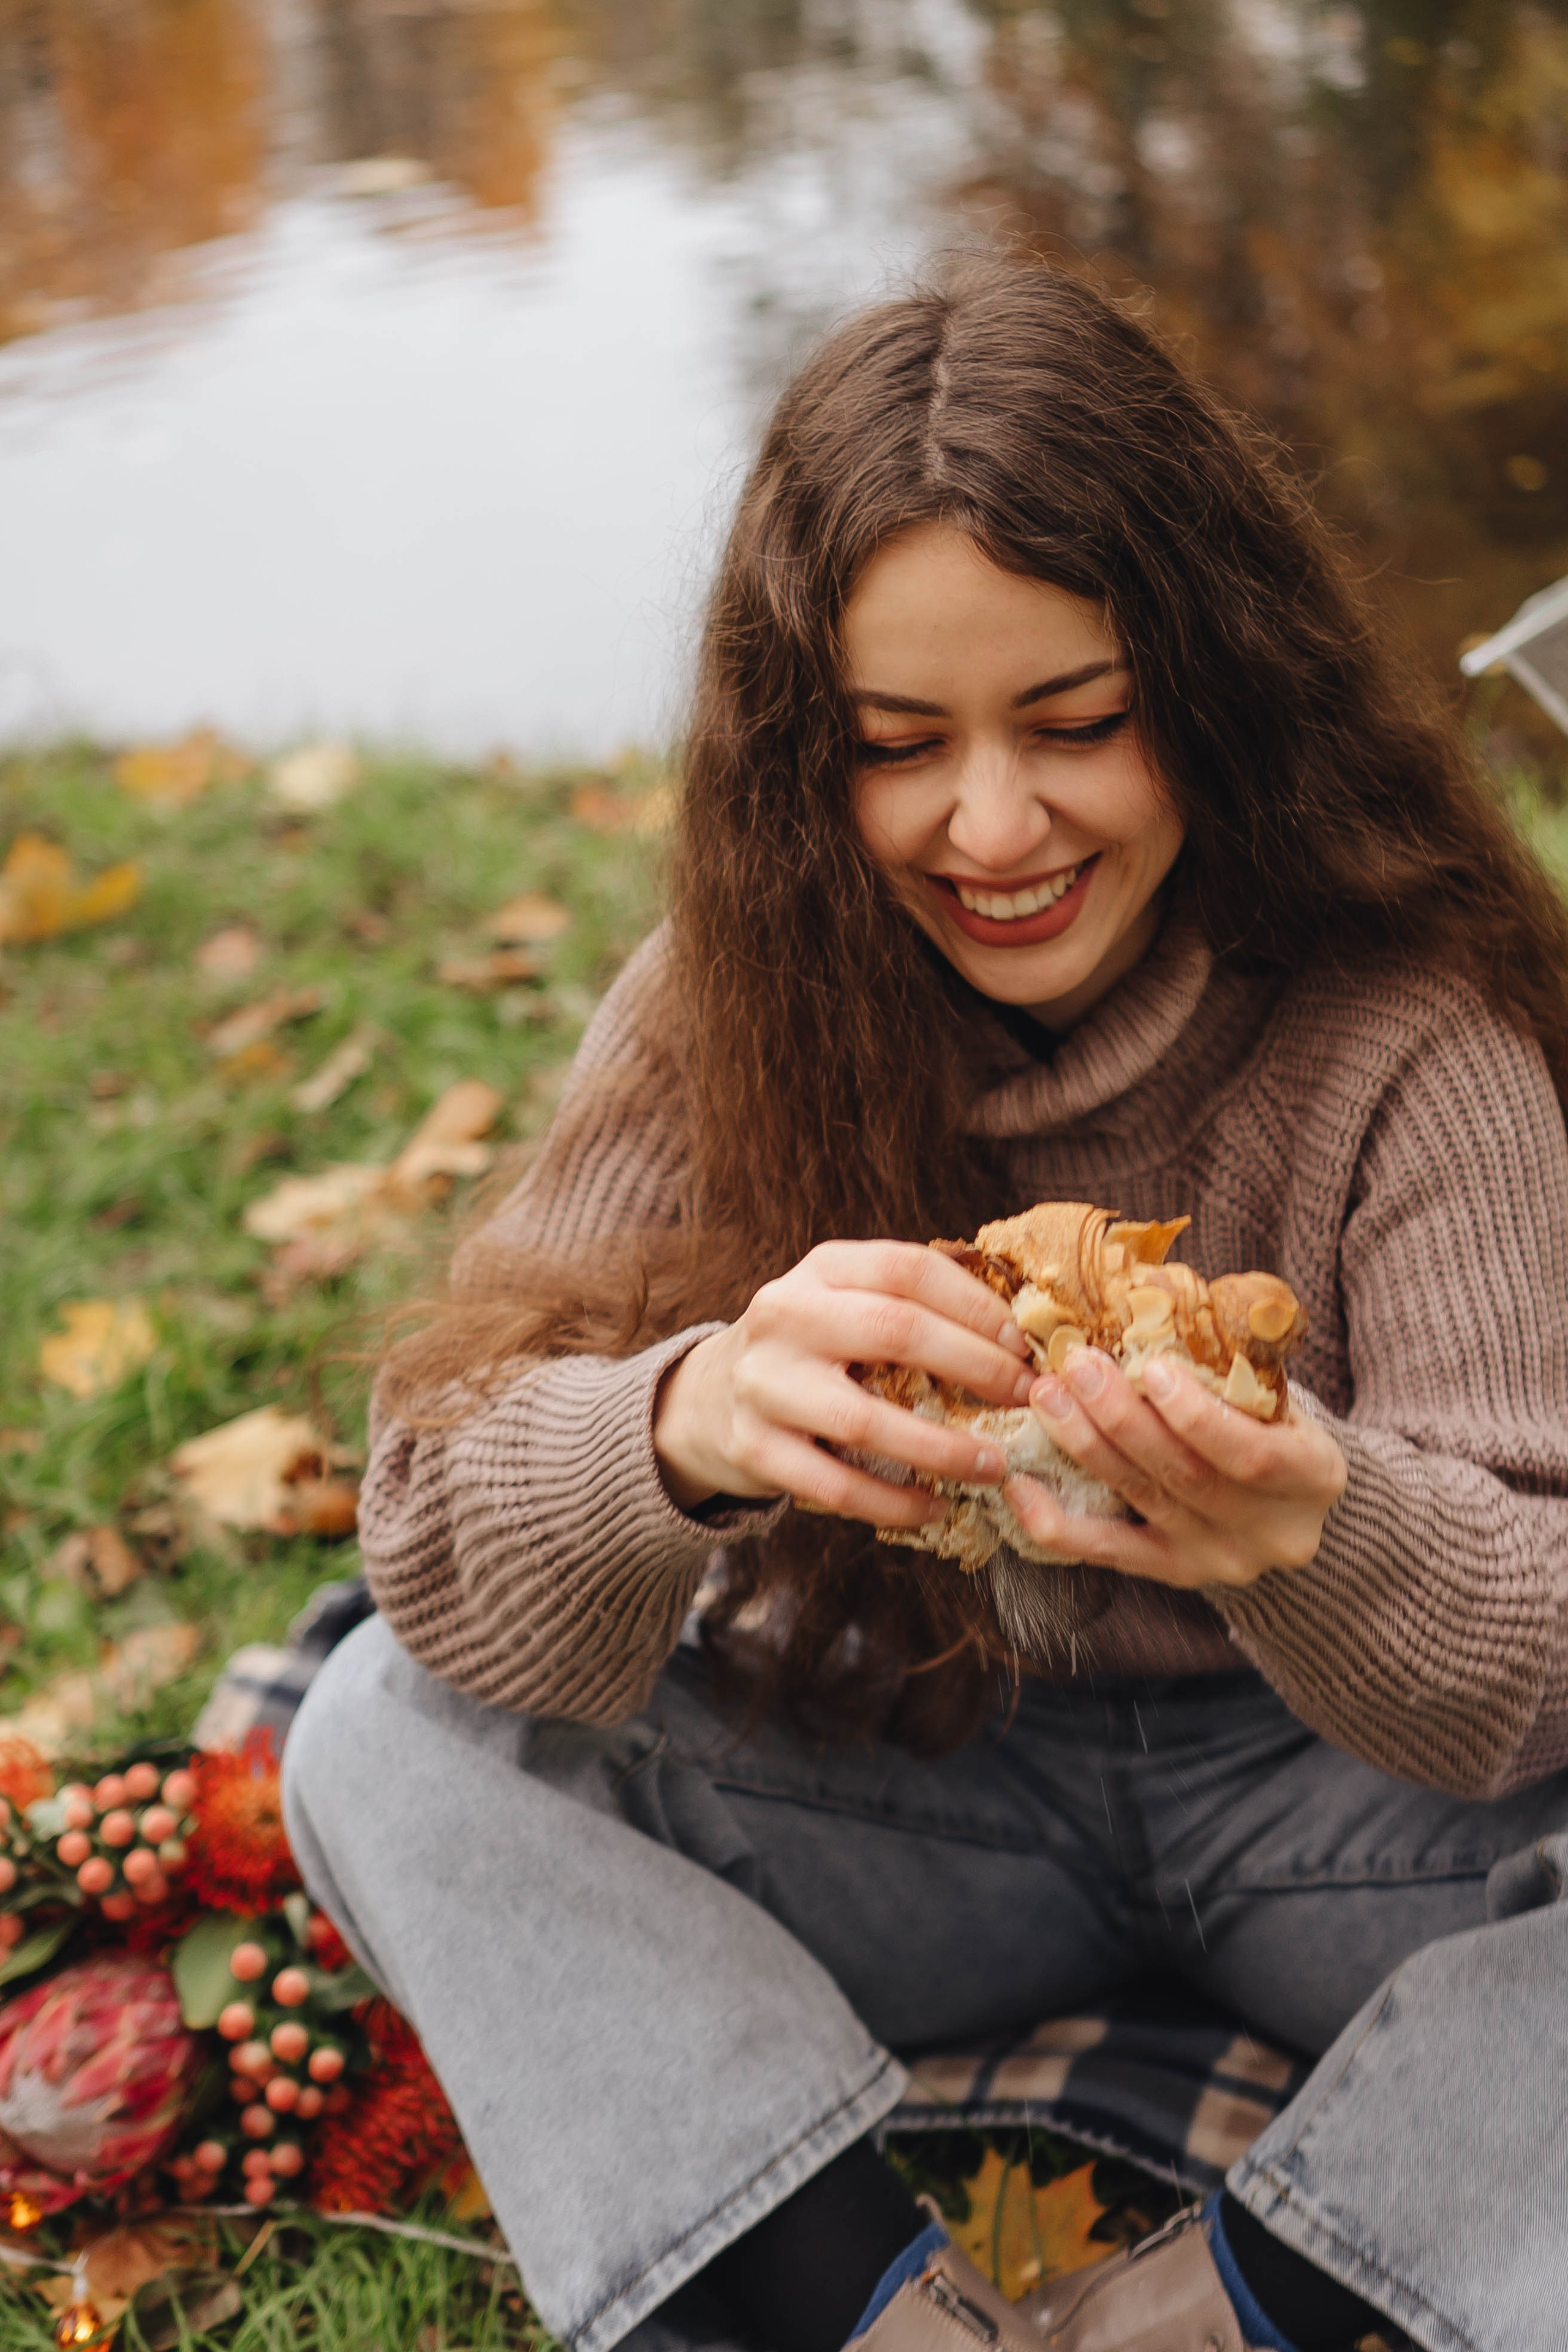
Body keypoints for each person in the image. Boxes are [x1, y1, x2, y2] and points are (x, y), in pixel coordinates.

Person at [282, 261, 1568, 2352]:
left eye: (1075, 726)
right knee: (381, 1730)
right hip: (920, 1781)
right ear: (810, 760)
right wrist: (676, 1430)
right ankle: (865, 2313)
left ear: (1217, 688)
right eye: (901, 751)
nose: (994, 830)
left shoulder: (1408, 1034)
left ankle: (1254, 2303)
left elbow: (1538, 1658)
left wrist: (1327, 1531)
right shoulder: (738, 1005)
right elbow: (430, 1529)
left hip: (1358, 1826)